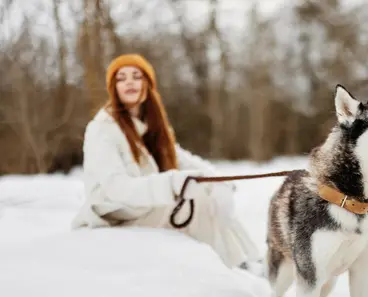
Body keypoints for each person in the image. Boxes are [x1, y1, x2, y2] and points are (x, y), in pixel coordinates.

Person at [71, 53, 260, 269]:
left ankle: (245, 264)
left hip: (142, 209)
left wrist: (218, 182)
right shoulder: (102, 129)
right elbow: (117, 188)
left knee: (209, 195)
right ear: (113, 87)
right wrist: (172, 184)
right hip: (115, 214)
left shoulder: (152, 128)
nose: (129, 82)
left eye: (136, 76)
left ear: (148, 84)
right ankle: (226, 269)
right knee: (197, 203)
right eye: (121, 78)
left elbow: (188, 163)